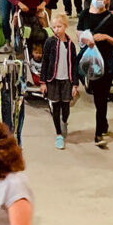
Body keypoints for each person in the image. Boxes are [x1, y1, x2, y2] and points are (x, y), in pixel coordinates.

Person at [77, 0, 113, 147]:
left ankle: (100, 128)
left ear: (107, 1)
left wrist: (106, 37)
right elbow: (78, 33)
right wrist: (85, 38)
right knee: (98, 97)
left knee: (102, 96)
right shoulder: (84, 15)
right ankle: (101, 126)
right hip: (91, 62)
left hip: (107, 62)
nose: (96, 1)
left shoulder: (112, 19)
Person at [40, 13, 78, 149]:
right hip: (53, 80)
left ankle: (64, 121)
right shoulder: (49, 43)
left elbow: (74, 64)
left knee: (66, 107)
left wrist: (75, 84)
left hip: (67, 81)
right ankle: (58, 134)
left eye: (59, 26)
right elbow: (45, 62)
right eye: (54, 27)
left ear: (65, 26)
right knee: (55, 107)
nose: (56, 29)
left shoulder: (70, 45)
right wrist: (43, 82)